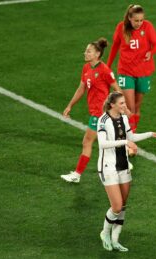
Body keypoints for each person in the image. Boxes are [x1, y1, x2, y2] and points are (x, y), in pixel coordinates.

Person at [97, 92, 156, 252]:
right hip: (108, 167)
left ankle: (115, 240)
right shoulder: (103, 120)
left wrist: (149, 134)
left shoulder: (124, 118)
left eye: (124, 103)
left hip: (124, 165)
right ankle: (105, 233)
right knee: (117, 206)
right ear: (112, 105)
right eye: (121, 103)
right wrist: (125, 142)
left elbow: (131, 137)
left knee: (123, 206)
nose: (124, 106)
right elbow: (102, 144)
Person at [61, 38, 121, 183]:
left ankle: (77, 174)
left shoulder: (104, 70)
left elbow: (117, 90)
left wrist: (117, 108)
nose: (85, 53)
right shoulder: (86, 68)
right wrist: (70, 105)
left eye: (89, 51)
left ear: (97, 54)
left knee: (87, 142)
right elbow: (81, 89)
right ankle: (122, 165)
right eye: (86, 51)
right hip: (96, 111)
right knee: (107, 142)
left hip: (100, 114)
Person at [107, 4, 156, 132]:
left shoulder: (147, 26)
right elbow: (115, 47)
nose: (139, 23)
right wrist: (107, 66)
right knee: (129, 106)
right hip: (126, 71)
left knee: (136, 106)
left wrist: (150, 53)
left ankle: (132, 131)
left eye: (141, 20)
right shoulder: (121, 27)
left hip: (143, 71)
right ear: (129, 18)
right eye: (136, 20)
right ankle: (130, 135)